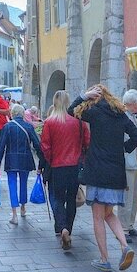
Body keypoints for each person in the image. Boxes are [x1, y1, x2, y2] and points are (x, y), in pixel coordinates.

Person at [70, 84, 137, 272]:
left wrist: (83, 95)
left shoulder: (93, 112)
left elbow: (71, 111)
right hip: (116, 173)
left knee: (97, 217)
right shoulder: (121, 114)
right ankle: (124, 246)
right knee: (109, 214)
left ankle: (104, 259)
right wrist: (123, 148)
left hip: (97, 172)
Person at [40, 90, 90, 250]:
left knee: (59, 199)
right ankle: (68, 228)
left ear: (55, 103)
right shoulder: (79, 122)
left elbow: (45, 146)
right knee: (71, 200)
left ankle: (62, 228)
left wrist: (51, 160)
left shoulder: (49, 122)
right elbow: (87, 143)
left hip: (57, 166)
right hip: (74, 166)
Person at [0, 104, 46, 225]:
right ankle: (23, 208)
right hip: (25, 159)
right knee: (23, 183)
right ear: (23, 114)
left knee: (12, 184)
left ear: (12, 114)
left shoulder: (7, 127)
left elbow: (1, 146)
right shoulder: (28, 126)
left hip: (11, 159)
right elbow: (37, 145)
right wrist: (41, 162)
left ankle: (14, 214)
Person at [120, 90, 137, 243]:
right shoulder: (124, 117)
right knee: (127, 197)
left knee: (135, 196)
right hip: (129, 162)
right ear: (131, 103)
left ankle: (130, 224)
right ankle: (123, 228)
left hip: (136, 162)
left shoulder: (135, 117)